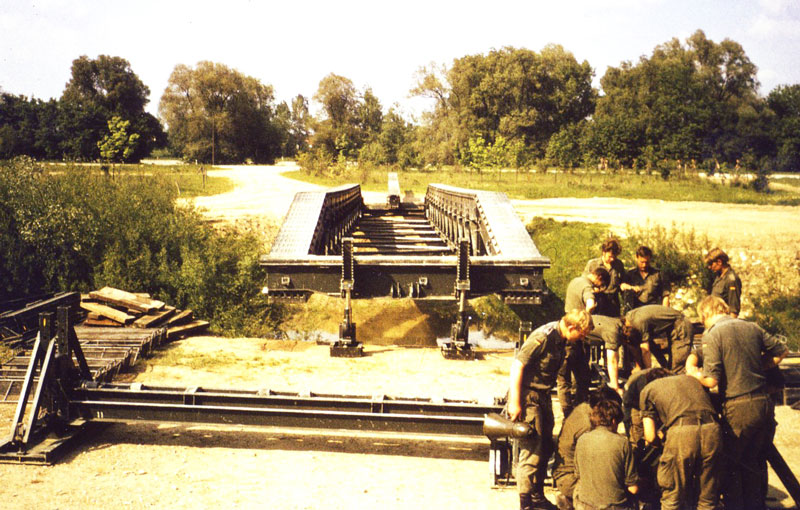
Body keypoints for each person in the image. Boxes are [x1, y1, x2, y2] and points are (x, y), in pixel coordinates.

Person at [692, 296, 789, 510]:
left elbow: (711, 380)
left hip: (739, 408)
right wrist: (758, 367)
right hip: (763, 404)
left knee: (730, 466)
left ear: (705, 314)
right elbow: (782, 351)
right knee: (754, 462)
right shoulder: (752, 327)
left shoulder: (713, 334)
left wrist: (693, 373)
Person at [507, 309, 594, 510]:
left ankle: (537, 497)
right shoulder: (543, 337)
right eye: (581, 334)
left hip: (543, 397)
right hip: (528, 397)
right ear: (571, 327)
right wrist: (514, 402)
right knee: (532, 452)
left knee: (546, 446)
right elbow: (517, 366)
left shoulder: (563, 340)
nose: (582, 338)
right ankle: (525, 503)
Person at [640, 373, 723, 510]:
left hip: (682, 433)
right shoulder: (690, 380)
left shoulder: (648, 389)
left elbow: (650, 436)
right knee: (707, 498)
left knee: (672, 498)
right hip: (712, 430)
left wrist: (663, 445)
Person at [552, 386, 622, 510]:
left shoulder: (585, 408)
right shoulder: (589, 424)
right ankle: (571, 500)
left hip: (567, 474)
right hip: (570, 479)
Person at [559, 268, 610, 417]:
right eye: (601, 284)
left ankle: (569, 411)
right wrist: (586, 319)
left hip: (568, 331)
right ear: (598, 277)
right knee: (580, 376)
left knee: (565, 377)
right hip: (577, 333)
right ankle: (575, 410)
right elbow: (591, 303)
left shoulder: (575, 281)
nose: (599, 288)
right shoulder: (587, 286)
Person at [573, 400, 638, 510]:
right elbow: (633, 489)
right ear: (613, 421)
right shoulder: (622, 443)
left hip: (585, 505)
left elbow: (578, 475)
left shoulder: (582, 439)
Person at [623, 304, 693, 374]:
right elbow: (635, 346)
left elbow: (645, 350)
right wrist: (638, 367)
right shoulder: (629, 318)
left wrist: (648, 374)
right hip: (671, 328)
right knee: (669, 368)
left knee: (676, 368)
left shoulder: (638, 323)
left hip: (680, 325)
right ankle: (666, 371)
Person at [584, 237, 625, 317]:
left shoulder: (619, 264)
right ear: (604, 252)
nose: (612, 259)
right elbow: (584, 282)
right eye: (610, 256)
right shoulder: (592, 264)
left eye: (614, 257)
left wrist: (623, 285)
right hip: (597, 301)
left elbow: (623, 280)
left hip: (613, 303)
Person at [621, 246, 669, 312]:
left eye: (647, 262)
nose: (644, 265)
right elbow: (622, 286)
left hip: (653, 310)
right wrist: (630, 287)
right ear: (636, 258)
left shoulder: (658, 274)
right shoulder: (630, 274)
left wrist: (665, 312)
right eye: (642, 262)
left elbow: (665, 295)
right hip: (635, 311)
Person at [703, 248, 742, 317]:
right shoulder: (719, 276)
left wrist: (730, 323)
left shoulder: (731, 280)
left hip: (723, 319)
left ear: (719, 262)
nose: (709, 267)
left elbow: (734, 311)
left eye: (711, 264)